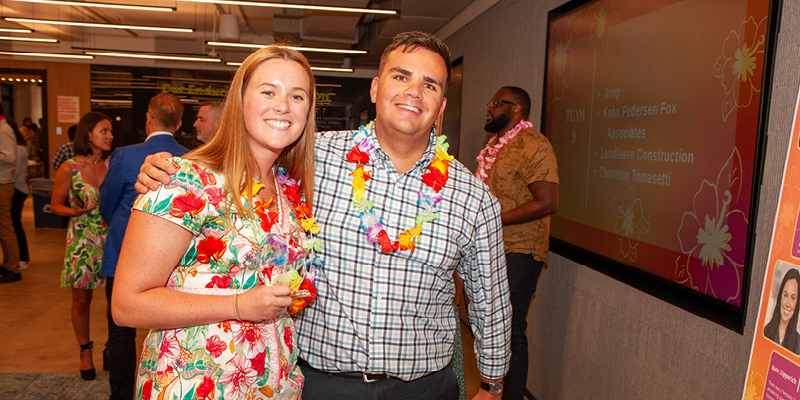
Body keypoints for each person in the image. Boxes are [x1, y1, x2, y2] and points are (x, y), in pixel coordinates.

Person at [136, 31, 511, 400]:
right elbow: (244, 157)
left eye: (430, 85)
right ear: (376, 88)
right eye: (401, 76)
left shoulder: (472, 197)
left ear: (441, 105)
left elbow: (490, 301)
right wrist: (166, 168)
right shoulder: (310, 157)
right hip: (321, 384)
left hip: (421, 387)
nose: (414, 91)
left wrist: (493, 387)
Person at [113, 45, 318, 400]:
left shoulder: (288, 187)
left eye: (296, 96)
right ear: (239, 102)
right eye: (268, 91)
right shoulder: (186, 179)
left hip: (271, 383)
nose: (283, 105)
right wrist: (237, 305)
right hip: (195, 382)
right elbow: (127, 304)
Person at [99, 93, 189, 400]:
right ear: (179, 123)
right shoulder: (192, 158)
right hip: (175, 261)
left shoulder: (124, 156)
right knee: (172, 326)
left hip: (121, 255)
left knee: (120, 331)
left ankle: (122, 395)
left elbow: (106, 205)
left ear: (148, 118)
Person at [476, 86, 558, 400]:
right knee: (492, 328)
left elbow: (548, 201)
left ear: (516, 110)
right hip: (492, 249)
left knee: (509, 330)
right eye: (491, 101)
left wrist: (495, 218)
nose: (490, 107)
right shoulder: (494, 146)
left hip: (521, 249)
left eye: (497, 103)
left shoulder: (533, 144)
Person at [51, 111, 113, 380]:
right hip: (81, 241)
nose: (110, 136)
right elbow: (55, 205)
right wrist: (74, 212)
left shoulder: (113, 165)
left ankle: (113, 347)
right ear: (88, 134)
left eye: (111, 131)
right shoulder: (69, 168)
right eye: (104, 131)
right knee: (81, 301)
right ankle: (85, 351)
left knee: (115, 300)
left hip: (110, 240)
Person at [0, 104, 21, 284]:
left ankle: (13, 266)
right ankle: (8, 263)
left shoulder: (4, 130)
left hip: (3, 183)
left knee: (5, 226)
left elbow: (9, 158)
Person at [764, 268, 800, 355]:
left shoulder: (798, 343)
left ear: (797, 303)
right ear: (780, 297)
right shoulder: (766, 331)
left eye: (792, 298)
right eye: (785, 295)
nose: (787, 304)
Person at [10, 119, 30, 271]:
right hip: (20, 188)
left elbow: (14, 172)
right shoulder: (20, 147)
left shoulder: (16, 149)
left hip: (17, 189)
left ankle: (22, 257)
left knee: (15, 225)